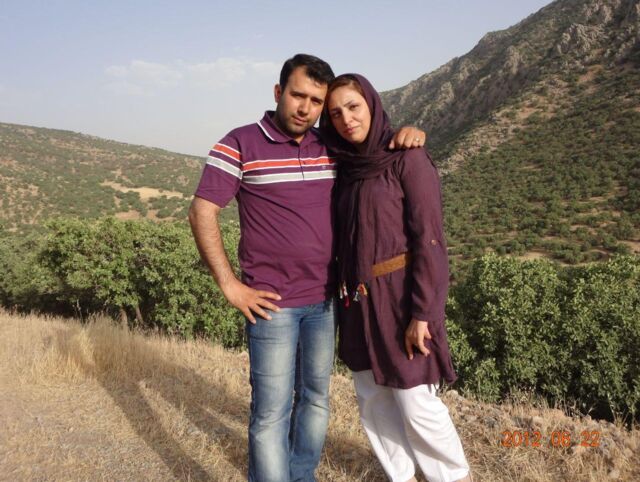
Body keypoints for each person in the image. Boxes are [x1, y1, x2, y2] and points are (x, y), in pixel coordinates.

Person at [188, 54, 425, 482]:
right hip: (271, 305)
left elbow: (373, 149)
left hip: (326, 301)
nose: (306, 108)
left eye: (317, 101)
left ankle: (301, 476)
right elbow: (202, 211)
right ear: (278, 92)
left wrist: (407, 134)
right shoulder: (240, 143)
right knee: (271, 412)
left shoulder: (329, 146)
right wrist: (229, 284)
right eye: (298, 96)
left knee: (315, 400)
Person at [320, 73, 471, 482]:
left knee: (415, 401)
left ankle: (451, 476)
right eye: (336, 113)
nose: (346, 119)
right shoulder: (345, 167)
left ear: (372, 104)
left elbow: (429, 241)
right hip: (356, 301)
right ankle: (399, 475)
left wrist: (423, 314)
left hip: (400, 300)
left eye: (353, 107)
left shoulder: (407, 159)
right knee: (372, 398)